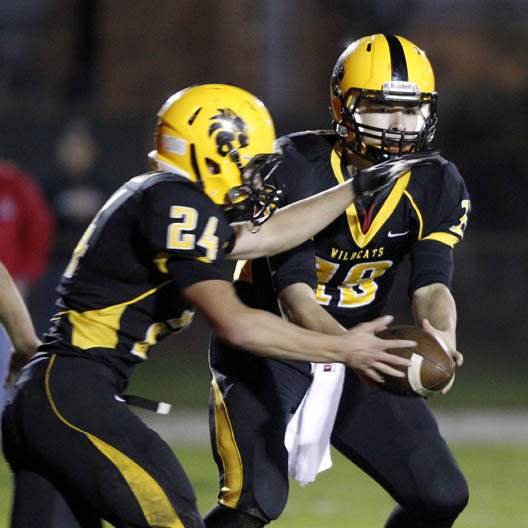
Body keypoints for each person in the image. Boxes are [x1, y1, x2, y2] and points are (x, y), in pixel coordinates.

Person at [1, 83, 418, 528]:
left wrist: (354, 188)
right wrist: (343, 348)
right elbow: (235, 324)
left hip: (44, 400)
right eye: (253, 166)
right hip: (75, 398)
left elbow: (273, 233)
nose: (259, 181)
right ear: (215, 153)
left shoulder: (162, 199)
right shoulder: (176, 201)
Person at [205, 35, 470, 528]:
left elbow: (432, 283)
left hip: (361, 347)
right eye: (381, 107)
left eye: (410, 109)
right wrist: (351, 349)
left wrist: (442, 334)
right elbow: (296, 299)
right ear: (342, 107)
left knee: (441, 495)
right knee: (253, 503)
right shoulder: (295, 165)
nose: (398, 124)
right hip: (272, 352)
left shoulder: (436, 180)